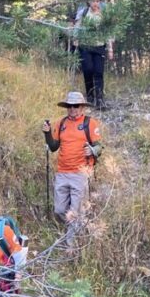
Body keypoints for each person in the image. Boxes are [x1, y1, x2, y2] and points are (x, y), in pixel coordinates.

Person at [43, 92, 103, 247]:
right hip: (62, 172)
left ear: (82, 107)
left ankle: (71, 246)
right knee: (59, 209)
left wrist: (93, 151)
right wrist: (47, 133)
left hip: (81, 173)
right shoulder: (61, 123)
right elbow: (54, 147)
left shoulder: (90, 123)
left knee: (74, 212)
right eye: (69, 106)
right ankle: (82, 227)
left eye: (76, 106)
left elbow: (99, 146)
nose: (72, 109)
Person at [72, 0, 114, 110]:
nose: (95, 3)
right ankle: (90, 96)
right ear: (89, 2)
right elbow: (77, 28)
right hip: (85, 46)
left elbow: (108, 32)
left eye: (97, 1)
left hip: (99, 46)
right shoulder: (83, 13)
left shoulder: (104, 15)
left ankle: (100, 99)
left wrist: (110, 48)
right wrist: (76, 42)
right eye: (93, 1)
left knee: (99, 72)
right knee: (88, 70)